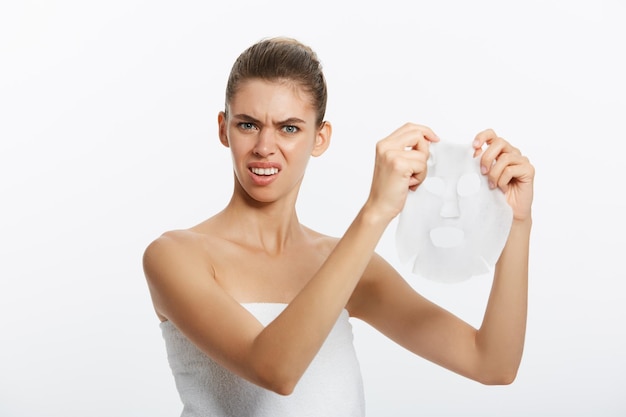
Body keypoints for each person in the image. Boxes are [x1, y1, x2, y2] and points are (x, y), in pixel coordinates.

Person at [142, 37, 534, 416]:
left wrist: (516, 222)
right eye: (247, 125)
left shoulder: (348, 264)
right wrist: (375, 211)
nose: (264, 146)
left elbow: (492, 363)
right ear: (223, 128)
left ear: (320, 138)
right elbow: (275, 369)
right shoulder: (176, 256)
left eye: (289, 128)